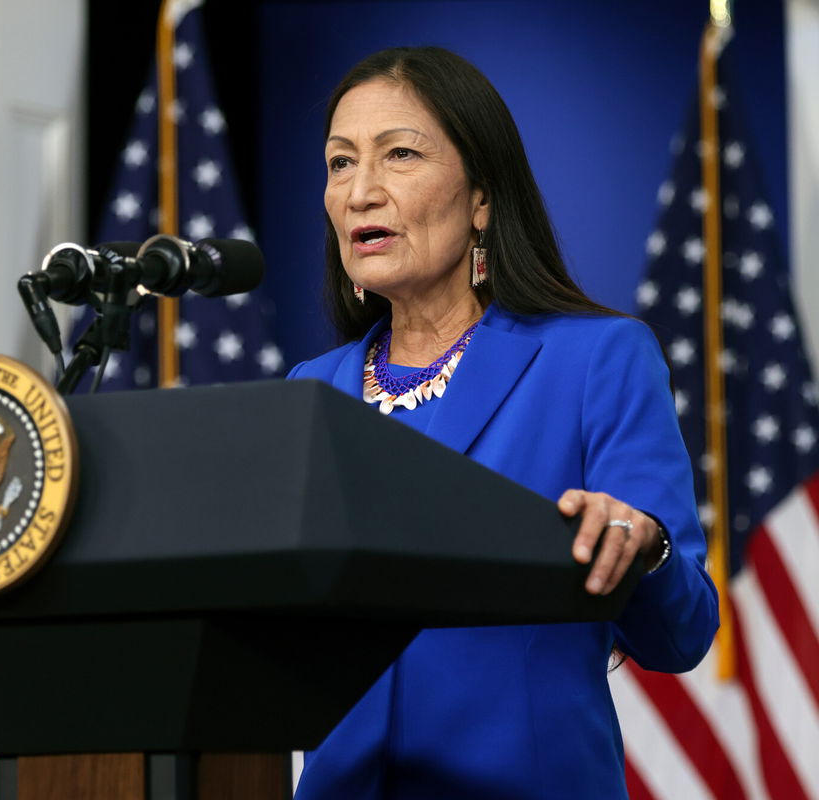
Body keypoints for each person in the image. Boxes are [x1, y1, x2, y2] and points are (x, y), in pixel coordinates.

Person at [287, 47, 718, 799]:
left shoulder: (595, 362)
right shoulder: (306, 395)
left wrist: (645, 547)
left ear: (481, 197)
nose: (361, 192)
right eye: (340, 163)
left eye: (400, 155)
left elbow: (682, 636)